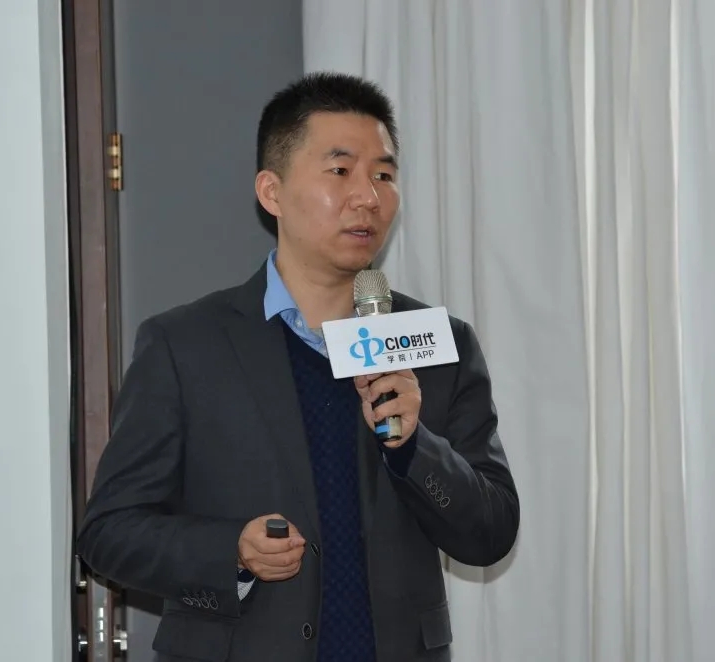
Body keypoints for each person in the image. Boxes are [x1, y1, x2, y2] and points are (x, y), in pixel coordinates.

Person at [76, 71, 519, 662]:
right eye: (340, 171)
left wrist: (415, 446)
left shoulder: (438, 343)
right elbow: (108, 533)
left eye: (384, 175)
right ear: (272, 192)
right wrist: (230, 551)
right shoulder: (186, 345)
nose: (369, 197)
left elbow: (491, 533)